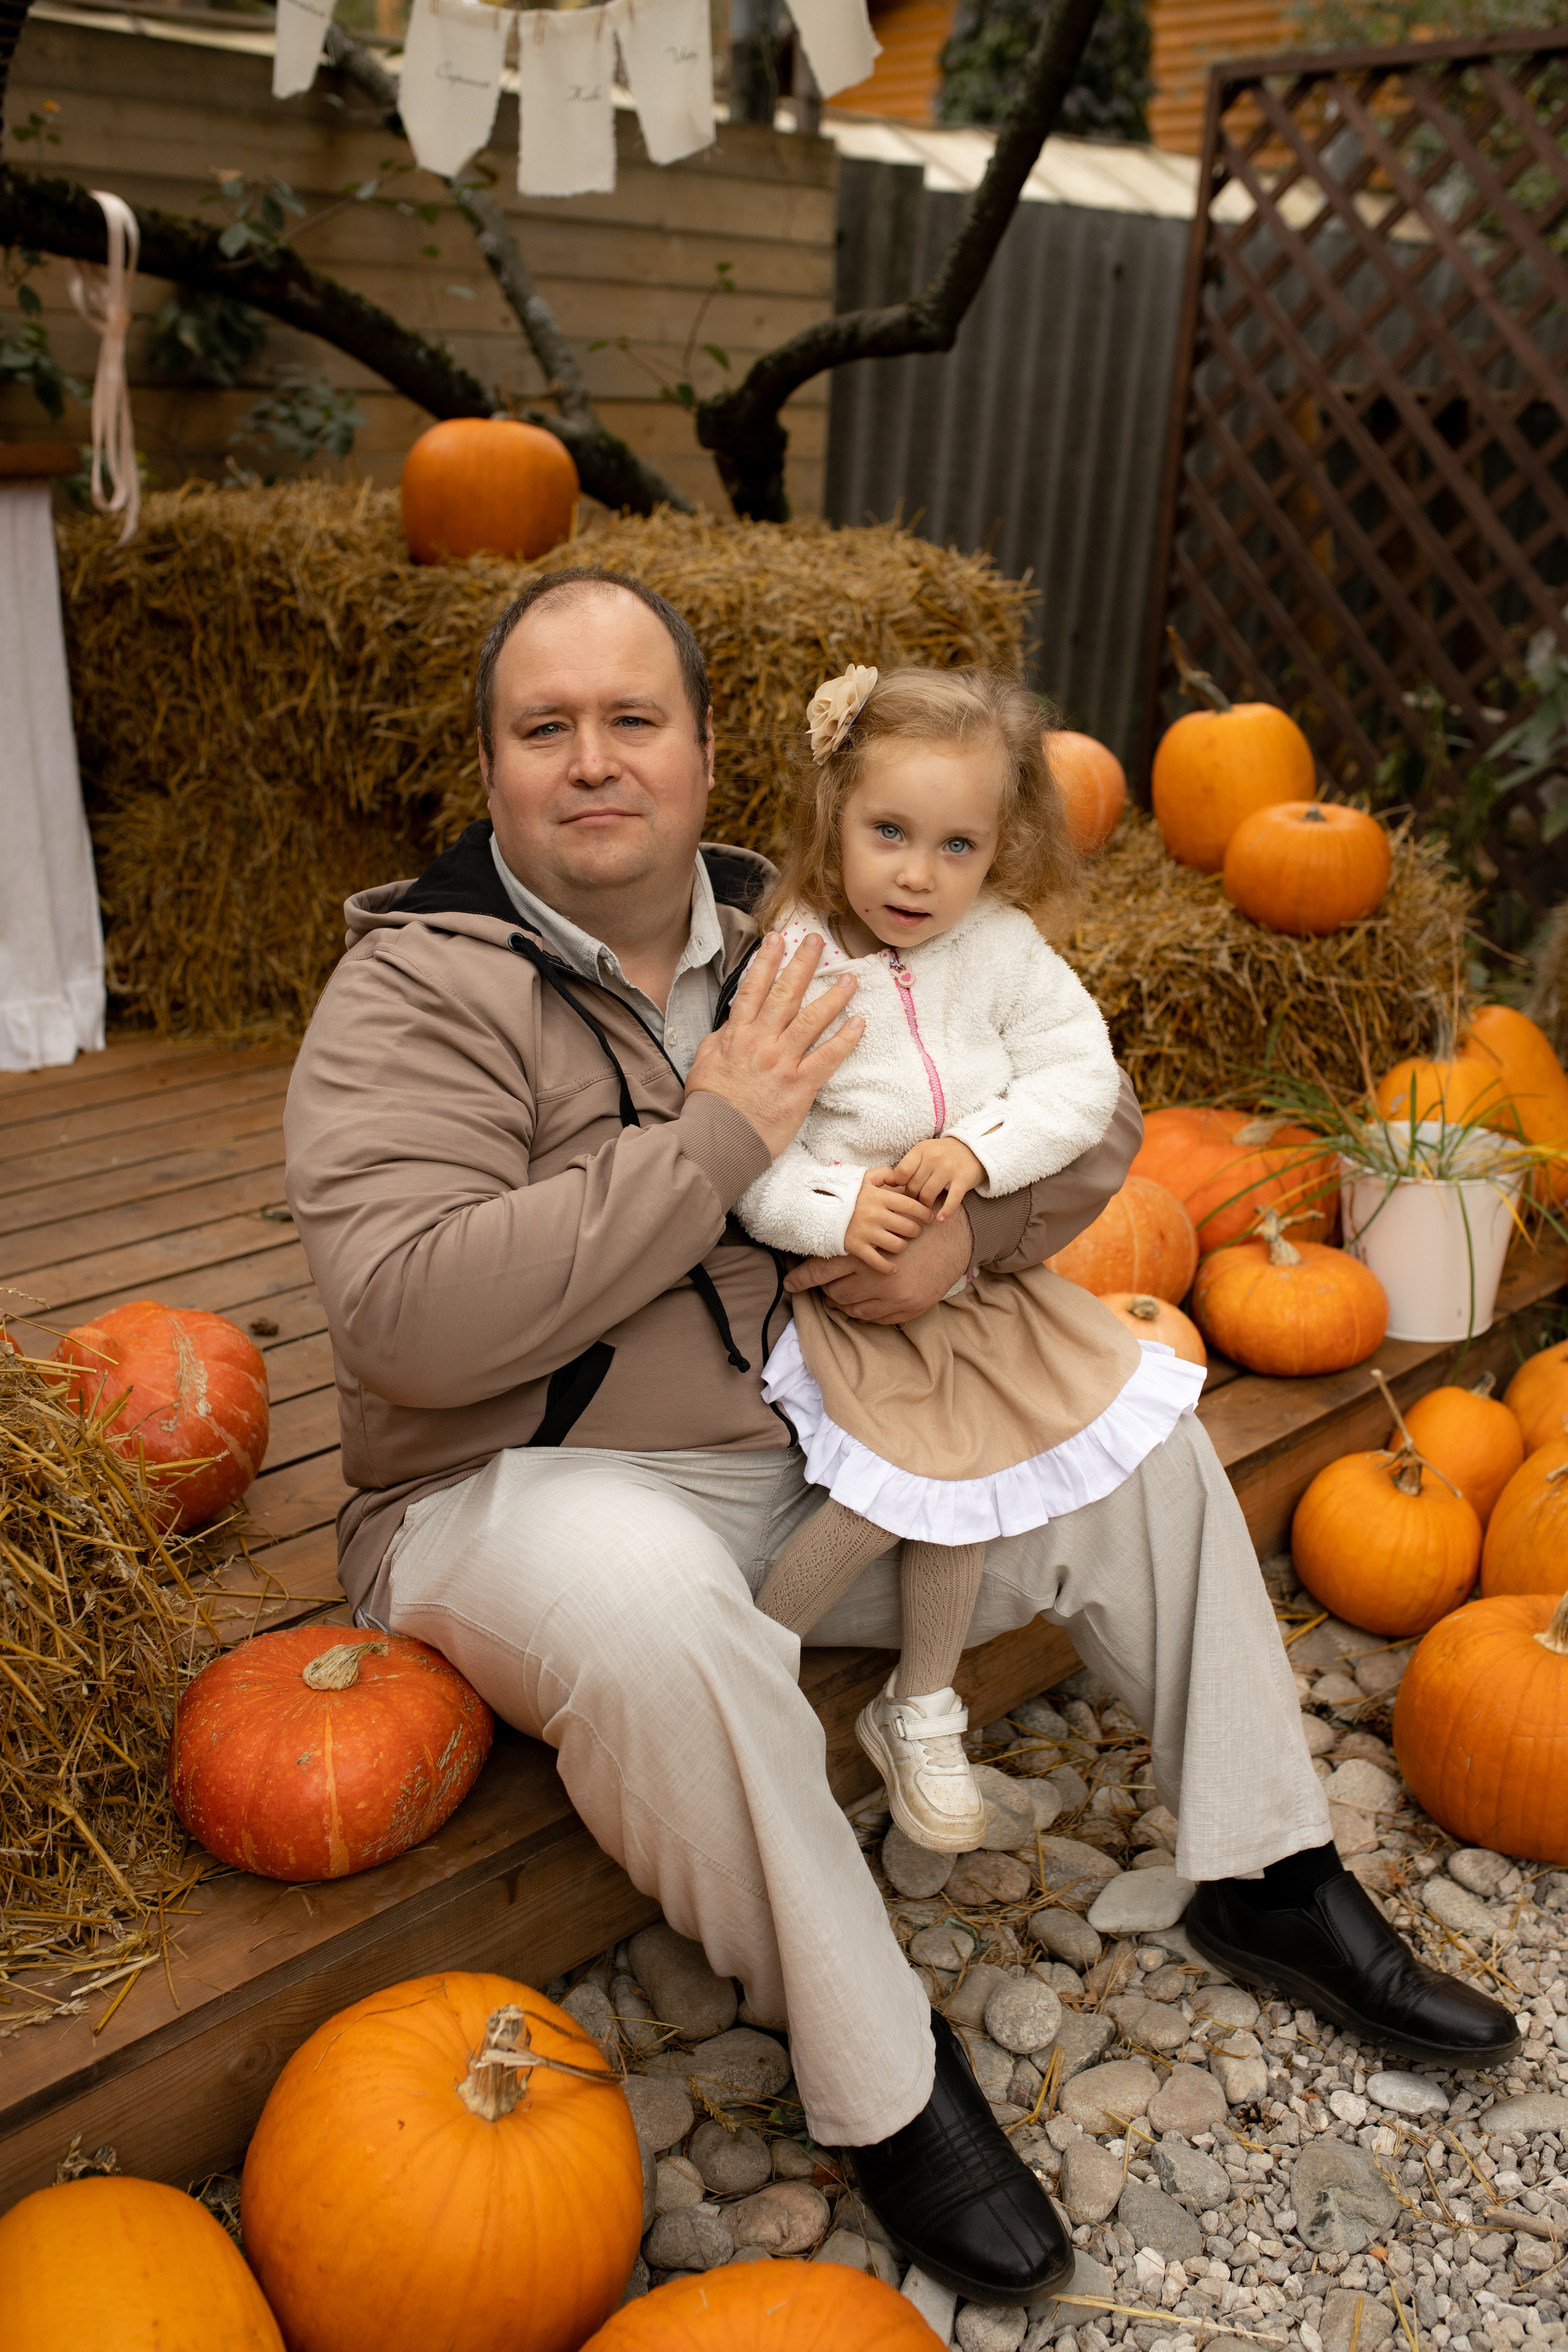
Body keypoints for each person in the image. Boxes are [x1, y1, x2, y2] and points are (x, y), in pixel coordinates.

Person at [284, 565, 1520, 2314]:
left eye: (632, 719)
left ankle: (1266, 1867)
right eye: (542, 727)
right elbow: (403, 1320)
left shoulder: (818, 918)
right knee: (651, 1601)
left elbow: (1083, 1125)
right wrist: (716, 1139)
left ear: (710, 755)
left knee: (1139, 1427)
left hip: (807, 1439)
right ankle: (887, 2080)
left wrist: (971, 1237)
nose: (591, 760)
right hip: (515, 1489)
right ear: (489, 768)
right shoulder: (419, 993)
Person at [737, 662, 1204, 1854]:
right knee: (897, 1487)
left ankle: (920, 1705)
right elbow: (742, 1150)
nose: (916, 874)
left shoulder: (999, 949)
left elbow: (1078, 1080)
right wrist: (835, 1207)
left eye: (956, 846)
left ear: (998, 849)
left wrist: (975, 1150)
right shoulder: (789, 961)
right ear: (829, 815)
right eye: (887, 832)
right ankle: (744, 1661)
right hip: (853, 1286)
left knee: (968, 1480)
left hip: (969, 1285)